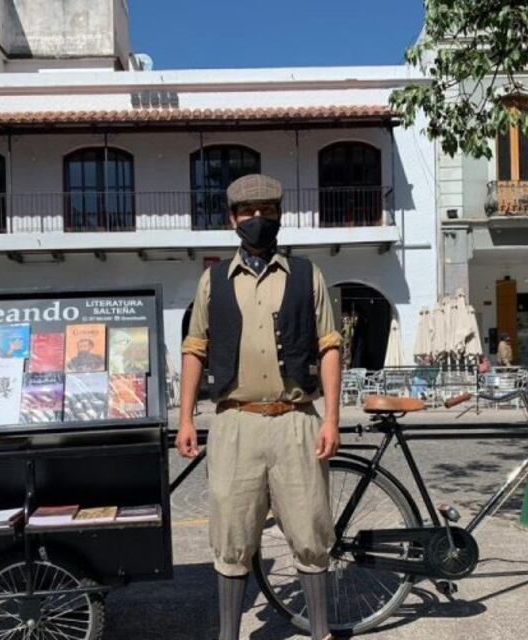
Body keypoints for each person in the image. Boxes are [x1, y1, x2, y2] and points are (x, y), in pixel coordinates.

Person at [176, 174, 342, 640]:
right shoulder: (212, 282)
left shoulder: (308, 275)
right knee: (231, 534)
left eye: (267, 211)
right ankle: (228, 634)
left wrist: (330, 418)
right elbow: (195, 348)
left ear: (280, 217)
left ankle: (321, 632)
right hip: (235, 423)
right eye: (248, 212)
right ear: (232, 220)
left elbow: (330, 345)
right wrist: (187, 418)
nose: (258, 220)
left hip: (296, 422)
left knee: (310, 530)